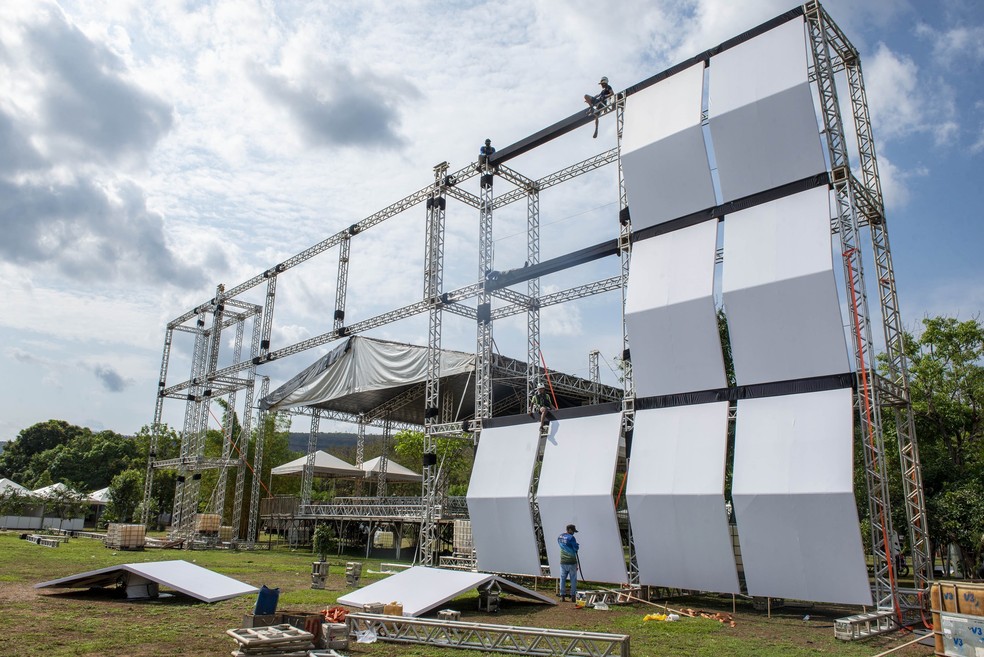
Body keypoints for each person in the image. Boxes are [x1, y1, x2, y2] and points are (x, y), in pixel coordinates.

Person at [558, 524, 580, 602]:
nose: (573, 533)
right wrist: (577, 545)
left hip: (563, 561)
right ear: (570, 530)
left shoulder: (560, 536)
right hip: (572, 562)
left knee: (562, 579)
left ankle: (562, 596)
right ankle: (573, 596)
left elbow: (562, 546)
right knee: (573, 579)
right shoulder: (571, 537)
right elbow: (576, 548)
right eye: (573, 531)